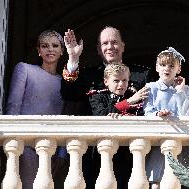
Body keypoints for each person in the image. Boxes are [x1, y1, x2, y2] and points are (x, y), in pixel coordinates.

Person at [61, 26, 154, 189]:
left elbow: (153, 105)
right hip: (95, 152)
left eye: (114, 42)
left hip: (131, 152)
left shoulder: (141, 74)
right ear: (98, 49)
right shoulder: (88, 75)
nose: (110, 47)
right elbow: (68, 94)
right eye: (105, 43)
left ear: (123, 46)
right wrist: (73, 58)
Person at [5, 30, 82, 189]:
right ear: (39, 50)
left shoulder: (65, 81)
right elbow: (13, 106)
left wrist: (61, 154)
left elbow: (66, 118)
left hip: (52, 150)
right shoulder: (25, 69)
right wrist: (12, 143)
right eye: (45, 46)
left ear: (62, 51)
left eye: (55, 46)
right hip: (25, 145)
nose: (50, 50)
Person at [143, 47, 189, 189]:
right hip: (157, 144)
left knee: (176, 182)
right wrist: (157, 115)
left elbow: (187, 115)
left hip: (178, 142)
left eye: (172, 65)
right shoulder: (151, 87)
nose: (167, 68)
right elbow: (147, 112)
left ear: (179, 69)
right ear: (157, 67)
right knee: (156, 181)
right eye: (163, 65)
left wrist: (179, 92)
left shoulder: (186, 89)